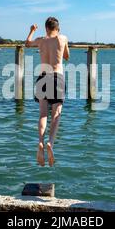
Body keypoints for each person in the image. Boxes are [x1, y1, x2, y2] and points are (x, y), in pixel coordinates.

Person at [25, 17, 70, 167]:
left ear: (46, 28)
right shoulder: (62, 38)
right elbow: (66, 56)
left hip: (42, 77)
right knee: (56, 113)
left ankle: (40, 142)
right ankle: (50, 142)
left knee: (43, 114)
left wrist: (31, 31)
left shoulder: (41, 40)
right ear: (58, 28)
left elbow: (27, 44)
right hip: (57, 76)